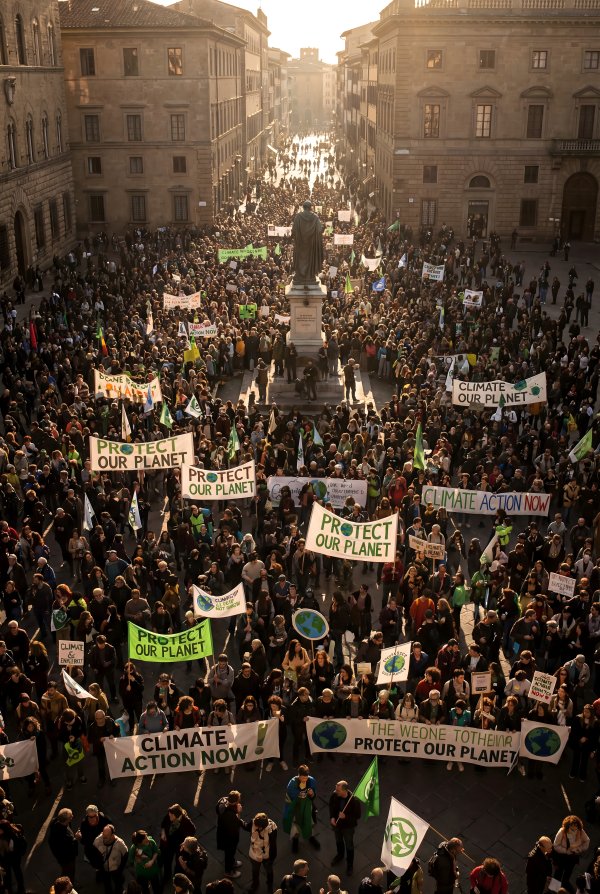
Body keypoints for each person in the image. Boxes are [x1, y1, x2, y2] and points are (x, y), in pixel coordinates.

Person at [283, 765, 320, 853]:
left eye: (306, 778)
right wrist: (300, 794)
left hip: (307, 809)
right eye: (302, 778)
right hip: (296, 810)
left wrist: (312, 794)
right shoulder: (292, 783)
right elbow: (290, 797)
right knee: (296, 828)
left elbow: (313, 796)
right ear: (298, 775)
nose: (304, 780)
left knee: (309, 824)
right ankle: (295, 842)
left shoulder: (311, 781)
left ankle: (311, 838)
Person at [329, 780, 361, 876]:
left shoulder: (354, 800)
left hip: (348, 827)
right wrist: (332, 817)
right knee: (338, 841)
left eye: (338, 790)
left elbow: (357, 816)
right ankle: (340, 855)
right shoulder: (335, 795)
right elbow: (331, 806)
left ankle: (350, 864)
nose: (335, 791)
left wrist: (345, 817)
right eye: (336, 789)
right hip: (337, 825)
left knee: (349, 845)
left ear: (344, 790)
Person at [552, 816, 590, 887]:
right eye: (572, 829)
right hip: (562, 857)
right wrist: (566, 851)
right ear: (567, 826)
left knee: (568, 873)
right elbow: (556, 846)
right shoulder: (562, 832)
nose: (574, 830)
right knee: (558, 873)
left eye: (576, 827)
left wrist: (580, 848)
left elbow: (587, 841)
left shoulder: (580, 831)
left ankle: (563, 888)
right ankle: (554, 889)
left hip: (572, 858)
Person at [246, 812, 278, 894]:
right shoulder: (253, 822)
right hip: (255, 853)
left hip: (267, 855)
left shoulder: (272, 829)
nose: (255, 827)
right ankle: (255, 884)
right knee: (255, 870)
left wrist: (271, 857)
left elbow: (273, 844)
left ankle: (269, 885)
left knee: (269, 870)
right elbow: (246, 827)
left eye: (258, 827)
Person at [216, 790, 244, 879]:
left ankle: (232, 862)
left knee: (230, 853)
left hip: (223, 833)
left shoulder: (222, 802)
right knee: (229, 853)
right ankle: (228, 872)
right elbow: (236, 825)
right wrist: (239, 813)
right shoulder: (230, 815)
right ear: (235, 802)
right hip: (229, 838)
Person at [93, 824, 128, 894]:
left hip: (115, 869)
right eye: (103, 836)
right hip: (104, 869)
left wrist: (120, 869)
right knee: (107, 886)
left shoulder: (119, 843)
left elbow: (126, 854)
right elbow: (93, 852)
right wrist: (98, 866)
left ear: (112, 835)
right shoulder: (98, 840)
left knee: (118, 885)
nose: (104, 839)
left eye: (106, 837)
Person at [48, 808, 79, 882]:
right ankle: (67, 885)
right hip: (66, 858)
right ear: (66, 820)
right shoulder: (64, 836)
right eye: (71, 816)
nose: (73, 816)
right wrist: (76, 839)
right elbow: (70, 848)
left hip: (60, 855)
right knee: (69, 871)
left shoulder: (56, 822)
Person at [129, 830, 162, 894]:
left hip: (153, 871)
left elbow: (156, 852)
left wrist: (152, 861)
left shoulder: (151, 842)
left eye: (146, 836)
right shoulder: (134, 847)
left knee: (157, 889)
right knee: (144, 890)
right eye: (145, 838)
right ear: (140, 842)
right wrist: (137, 859)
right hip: (141, 873)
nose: (147, 838)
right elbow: (131, 860)